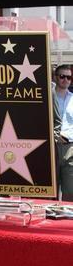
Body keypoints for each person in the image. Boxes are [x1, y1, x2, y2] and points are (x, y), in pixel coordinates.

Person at [54, 64, 73, 201]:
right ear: (56, 77)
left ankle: (67, 220)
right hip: (51, 147)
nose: (65, 80)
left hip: (70, 148)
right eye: (62, 76)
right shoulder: (47, 96)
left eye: (69, 77)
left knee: (70, 189)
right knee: (52, 188)